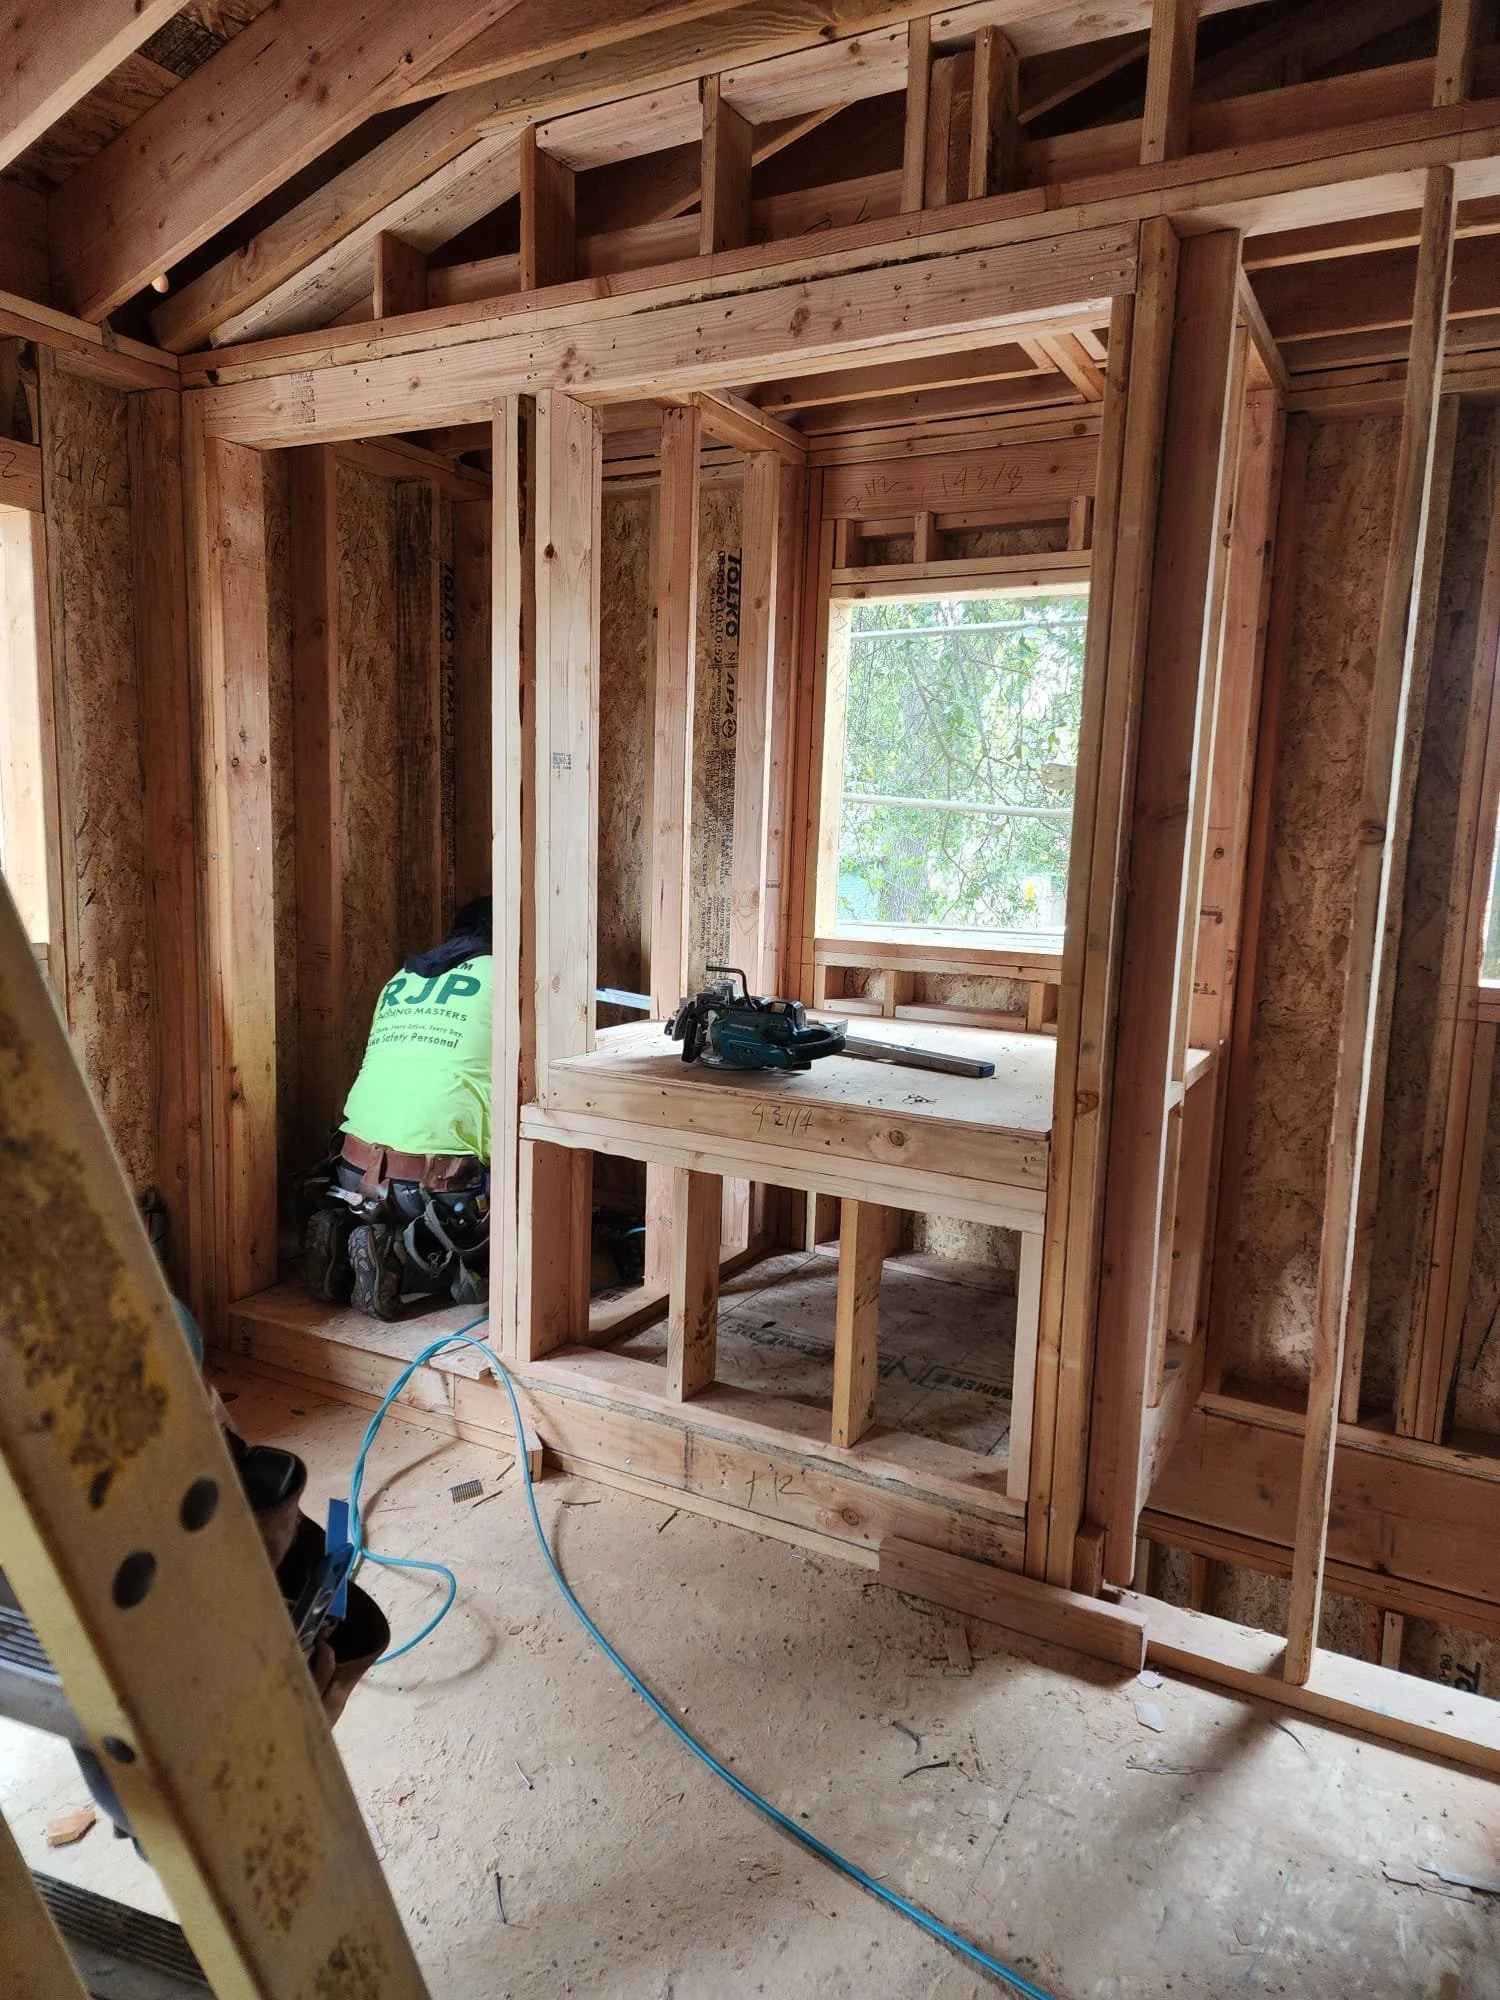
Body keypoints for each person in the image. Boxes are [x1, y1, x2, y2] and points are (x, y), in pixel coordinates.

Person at [305, 898, 493, 1320]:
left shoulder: (401, 978)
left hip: (350, 1168)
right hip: (440, 1187)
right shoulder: (508, 980)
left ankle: (348, 1232)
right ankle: (399, 1257)